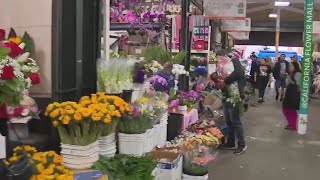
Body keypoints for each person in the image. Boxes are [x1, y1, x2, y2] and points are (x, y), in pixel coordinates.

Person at [216, 50, 247, 155]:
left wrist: (225, 81)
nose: (219, 60)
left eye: (220, 57)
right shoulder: (223, 66)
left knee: (236, 121)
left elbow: (238, 73)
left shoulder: (235, 61)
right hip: (226, 96)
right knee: (228, 121)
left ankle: (241, 144)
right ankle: (231, 142)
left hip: (235, 96)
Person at [282, 62, 301, 130]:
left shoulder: (298, 73)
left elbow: (297, 84)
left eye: (291, 66)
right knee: (285, 109)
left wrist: (289, 78)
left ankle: (292, 125)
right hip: (289, 93)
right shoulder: (291, 74)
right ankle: (290, 123)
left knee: (291, 110)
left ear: (295, 66)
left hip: (294, 94)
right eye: (289, 66)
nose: (289, 67)